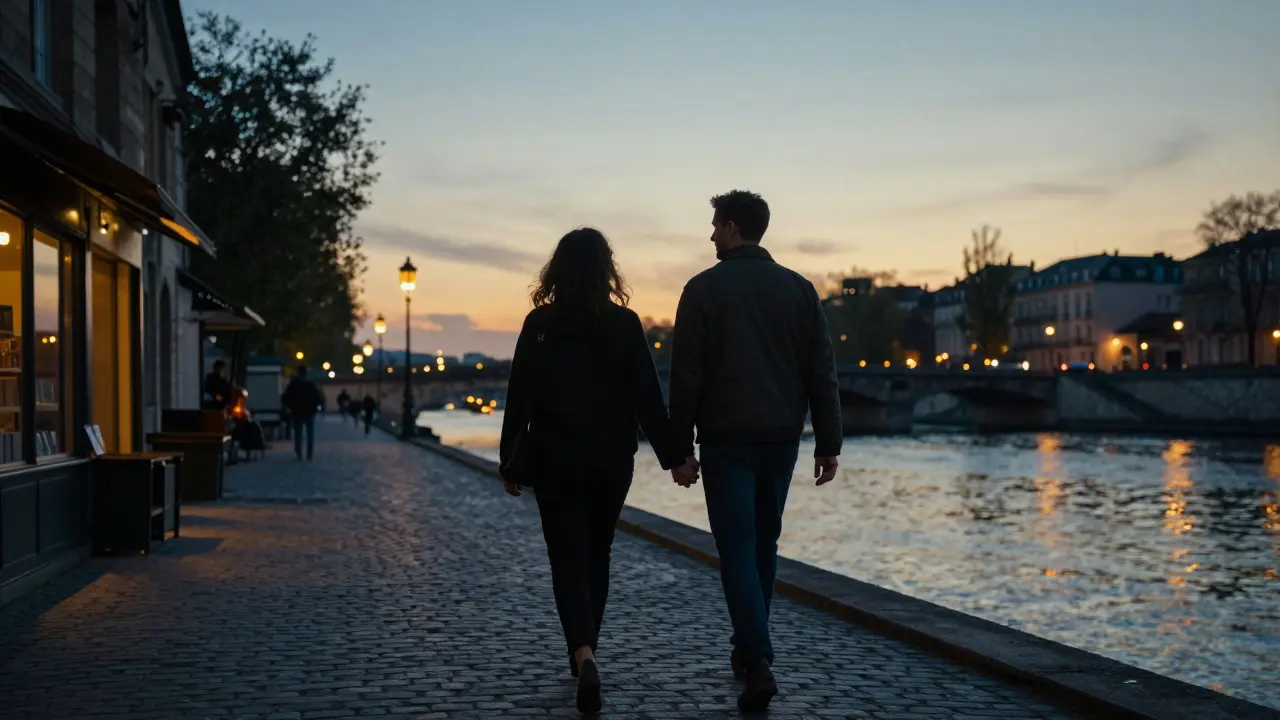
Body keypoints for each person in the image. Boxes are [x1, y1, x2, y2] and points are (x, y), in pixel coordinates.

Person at [499, 227, 690, 716]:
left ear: (557, 270)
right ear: (607, 270)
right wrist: (675, 457)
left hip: (553, 457)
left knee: (566, 558)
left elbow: (519, 396)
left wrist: (509, 458)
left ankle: (582, 653)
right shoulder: (624, 324)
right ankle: (589, 651)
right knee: (598, 552)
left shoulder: (539, 323)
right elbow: (648, 398)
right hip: (610, 459)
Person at [668, 190, 842, 713]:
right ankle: (751, 650)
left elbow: (686, 378)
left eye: (715, 225)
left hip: (726, 439)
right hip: (781, 438)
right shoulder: (799, 289)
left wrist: (679, 449)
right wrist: (828, 441)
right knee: (765, 543)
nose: (711, 234)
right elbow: (821, 372)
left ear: (732, 227)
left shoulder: (702, 289)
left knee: (737, 548)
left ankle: (757, 657)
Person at [281, 364, 324, 460]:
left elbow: (286, 397)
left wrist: (290, 407)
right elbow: (318, 397)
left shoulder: (293, 384)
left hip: (297, 411)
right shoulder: (310, 384)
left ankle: (298, 452)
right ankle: (309, 453)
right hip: (309, 411)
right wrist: (315, 408)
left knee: (298, 433)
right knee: (310, 434)